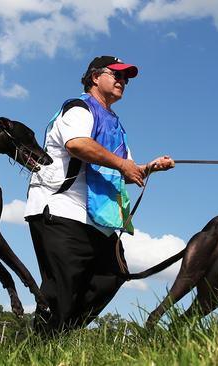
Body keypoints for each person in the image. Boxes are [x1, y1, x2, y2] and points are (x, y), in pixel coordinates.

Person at [25, 55, 174, 333]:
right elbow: (78, 144)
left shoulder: (116, 124)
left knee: (112, 277)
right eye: (116, 75)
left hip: (96, 219)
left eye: (126, 78)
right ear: (95, 77)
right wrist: (123, 165)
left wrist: (149, 168)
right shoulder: (79, 109)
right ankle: (42, 347)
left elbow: (123, 172)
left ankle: (60, 335)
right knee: (62, 288)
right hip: (61, 209)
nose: (123, 81)